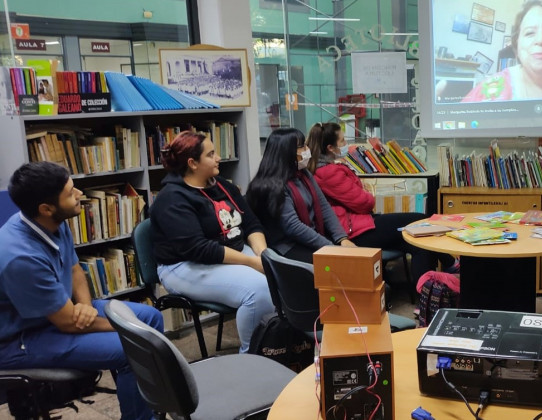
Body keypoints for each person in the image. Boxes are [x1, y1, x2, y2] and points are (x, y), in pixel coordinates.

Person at [0, 161, 163, 420]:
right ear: (46, 208)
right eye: (70, 193)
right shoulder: (20, 257)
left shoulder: (54, 221)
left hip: (58, 314)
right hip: (21, 338)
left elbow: (75, 270)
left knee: (152, 317)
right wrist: (133, 330)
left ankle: (149, 408)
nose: (80, 195)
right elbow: (67, 323)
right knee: (134, 349)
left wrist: (86, 305)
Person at [149, 131, 274, 354]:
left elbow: (251, 222)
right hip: (185, 265)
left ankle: (279, 347)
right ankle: (252, 356)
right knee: (258, 290)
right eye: (211, 154)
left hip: (230, 251)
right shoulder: (172, 198)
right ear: (192, 163)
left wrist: (263, 255)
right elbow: (199, 249)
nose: (218, 158)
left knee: (283, 276)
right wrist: (251, 262)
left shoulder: (221, 185)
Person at [306, 122, 457, 280]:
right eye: (342, 141)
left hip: (359, 223)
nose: (346, 145)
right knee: (420, 221)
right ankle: (450, 264)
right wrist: (365, 192)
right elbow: (365, 203)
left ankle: (426, 295)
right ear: (330, 148)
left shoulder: (325, 169)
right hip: (355, 232)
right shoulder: (328, 173)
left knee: (419, 244)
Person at [246, 128, 356, 264]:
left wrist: (342, 239)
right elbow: (293, 226)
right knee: (338, 265)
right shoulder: (273, 185)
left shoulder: (304, 174)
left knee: (353, 256)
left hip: (311, 238)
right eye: (302, 146)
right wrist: (330, 247)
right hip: (287, 247)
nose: (307, 149)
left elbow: (323, 206)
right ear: (287, 151)